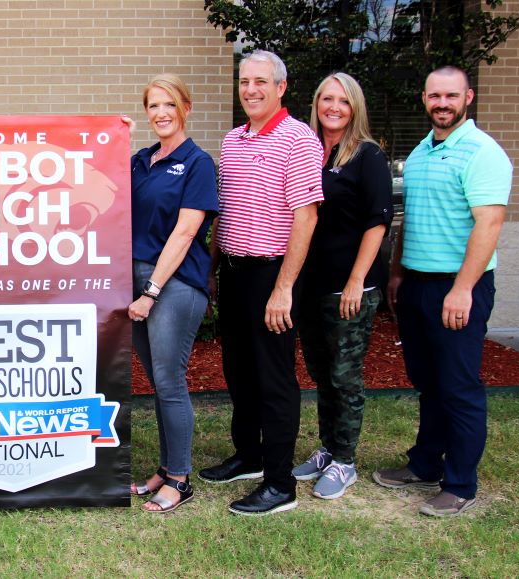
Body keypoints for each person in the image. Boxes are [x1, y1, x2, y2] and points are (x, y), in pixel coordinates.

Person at [376, 65, 511, 517]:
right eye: (435, 96)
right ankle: (425, 464)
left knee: (458, 386)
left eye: (451, 96)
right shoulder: (419, 153)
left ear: (468, 97)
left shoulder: (481, 152)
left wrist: (463, 288)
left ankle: (460, 483)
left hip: (459, 287)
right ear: (424, 99)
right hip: (415, 283)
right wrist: (396, 273)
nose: (442, 103)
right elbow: (408, 220)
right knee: (427, 383)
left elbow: (489, 223)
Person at [197, 50, 323, 516]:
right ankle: (248, 455)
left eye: (261, 82)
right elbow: (226, 211)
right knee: (238, 371)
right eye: (244, 81)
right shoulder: (233, 140)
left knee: (274, 379)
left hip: (274, 273)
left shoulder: (300, 140)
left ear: (281, 87)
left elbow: (305, 217)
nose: (250, 89)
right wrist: (211, 270)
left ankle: (279, 483)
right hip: (233, 271)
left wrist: (284, 288)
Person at [290, 73, 393, 500]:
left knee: (344, 375)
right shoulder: (309, 151)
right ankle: (328, 448)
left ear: (355, 108)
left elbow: (377, 223)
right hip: (310, 287)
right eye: (326, 99)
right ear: (316, 103)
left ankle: (345, 461)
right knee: (320, 374)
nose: (333, 107)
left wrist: (356, 281)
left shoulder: (367, 156)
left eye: (342, 101)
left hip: (348, 289)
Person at [125, 75, 218, 513]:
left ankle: (179, 479)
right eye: (152, 106)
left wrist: (151, 291)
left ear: (186, 106)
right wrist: (105, 137)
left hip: (175, 283)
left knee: (169, 381)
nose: (161, 113)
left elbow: (185, 233)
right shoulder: (140, 160)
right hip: (139, 279)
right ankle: (164, 468)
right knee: (159, 383)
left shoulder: (198, 163)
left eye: (169, 104)